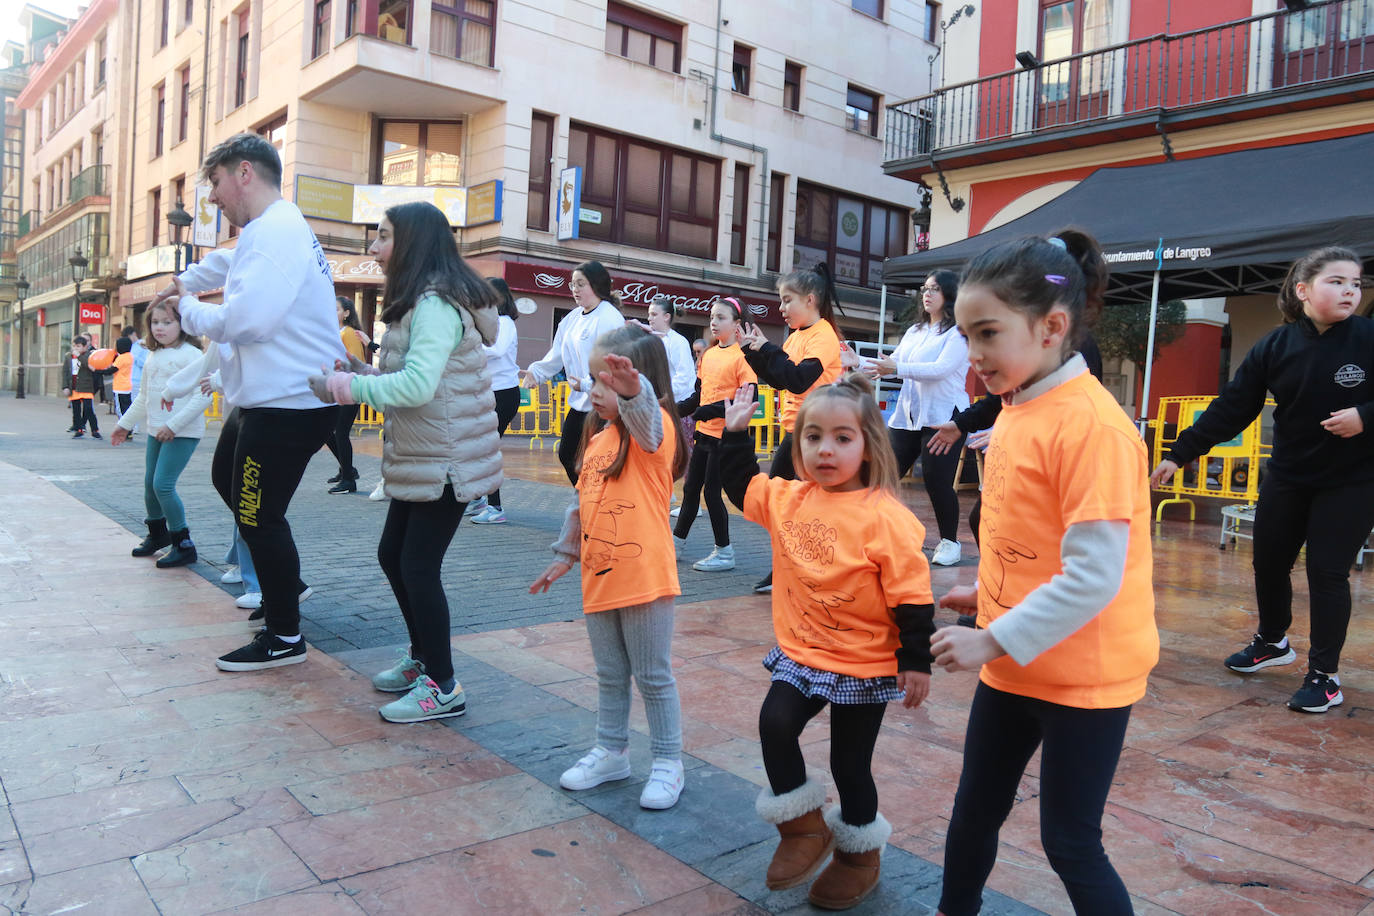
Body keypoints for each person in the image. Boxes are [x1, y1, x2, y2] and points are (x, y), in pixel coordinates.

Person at [929, 231, 1157, 916]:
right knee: (974, 812)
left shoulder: (1095, 428)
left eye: (988, 333)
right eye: (967, 334)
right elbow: (1029, 537)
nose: (973, 355)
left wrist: (991, 638)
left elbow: (1093, 578)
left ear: (1052, 327)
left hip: (1084, 676)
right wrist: (988, 596)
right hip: (1016, 659)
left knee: (1069, 841)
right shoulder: (1019, 407)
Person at [715, 374, 934, 910]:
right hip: (803, 652)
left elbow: (912, 596)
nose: (825, 449)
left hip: (865, 661)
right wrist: (736, 435)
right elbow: (742, 486)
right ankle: (802, 829)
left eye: (842, 437)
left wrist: (916, 660)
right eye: (813, 437)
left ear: (868, 445)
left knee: (848, 764)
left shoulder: (887, 519)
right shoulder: (789, 498)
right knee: (775, 723)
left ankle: (859, 854)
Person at [1150, 246, 1371, 714]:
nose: (1350, 289)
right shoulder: (1275, 345)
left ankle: (1325, 676)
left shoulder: (1369, 338)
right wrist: (1181, 453)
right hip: (1289, 475)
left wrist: (1365, 417)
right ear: (1304, 290)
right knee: (1269, 562)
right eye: (1337, 281)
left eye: (1355, 282)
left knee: (1327, 572)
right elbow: (1233, 407)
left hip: (1352, 480)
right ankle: (1272, 642)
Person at [309, 201, 503, 723]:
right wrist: (355, 367)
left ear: (413, 242)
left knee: (417, 566)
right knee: (394, 556)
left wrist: (346, 386)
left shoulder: (437, 304)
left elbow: (417, 386)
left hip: (446, 459)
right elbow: (411, 372)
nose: (374, 247)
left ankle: (443, 685)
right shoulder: (421, 302)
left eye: (384, 236)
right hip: (425, 453)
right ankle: (424, 658)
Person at [158, 132, 345, 672]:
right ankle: (287, 585)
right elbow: (226, 265)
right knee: (228, 480)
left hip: (290, 403)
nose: (212, 197)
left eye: (214, 183)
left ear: (244, 173)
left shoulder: (277, 232)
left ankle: (285, 637)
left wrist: (188, 308)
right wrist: (183, 281)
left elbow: (247, 323)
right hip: (268, 399)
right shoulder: (268, 230)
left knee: (258, 513)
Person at [529, 324, 688, 810]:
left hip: (644, 581)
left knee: (653, 675)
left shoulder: (654, 435)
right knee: (611, 674)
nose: (595, 391)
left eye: (607, 383)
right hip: (597, 578)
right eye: (594, 380)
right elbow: (581, 504)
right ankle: (611, 751)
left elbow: (649, 426)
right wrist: (564, 556)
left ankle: (667, 761)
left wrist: (635, 393)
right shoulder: (598, 442)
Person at [738, 263, 846, 592]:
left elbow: (799, 381)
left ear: (810, 300)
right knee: (779, 502)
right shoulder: (797, 336)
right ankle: (787, 568)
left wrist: (767, 349)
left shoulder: (823, 335)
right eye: (781, 301)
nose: (781, 309)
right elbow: (780, 378)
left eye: (787, 300)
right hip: (795, 433)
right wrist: (753, 353)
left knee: (805, 507)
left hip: (815, 436)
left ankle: (813, 571)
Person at [864, 270, 970, 567]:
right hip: (908, 417)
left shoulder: (959, 333)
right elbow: (889, 364)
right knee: (883, 476)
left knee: (937, 482)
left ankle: (950, 542)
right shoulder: (914, 331)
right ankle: (874, 533)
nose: (927, 293)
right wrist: (855, 363)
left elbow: (940, 369)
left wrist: (896, 368)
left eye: (934, 289)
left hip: (944, 416)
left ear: (949, 294)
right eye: (924, 288)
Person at [110, 300, 210, 567]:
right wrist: (125, 424)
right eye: (155, 322)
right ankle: (157, 536)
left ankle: (183, 544)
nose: (160, 328)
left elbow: (204, 396)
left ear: (183, 324)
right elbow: (144, 396)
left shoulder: (192, 355)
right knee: (149, 486)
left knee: (163, 485)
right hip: (156, 430)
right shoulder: (153, 355)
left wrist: (173, 426)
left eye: (167, 322)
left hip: (182, 431)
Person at [519, 260, 624, 485]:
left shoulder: (609, 318)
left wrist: (587, 383)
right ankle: (586, 501)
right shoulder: (573, 317)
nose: (575, 289)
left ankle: (594, 506)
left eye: (580, 284)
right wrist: (537, 372)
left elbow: (612, 361)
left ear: (596, 285)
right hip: (579, 401)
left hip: (602, 402)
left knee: (596, 460)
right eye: (572, 284)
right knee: (567, 454)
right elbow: (558, 352)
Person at [672, 297, 756, 571]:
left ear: (737, 325)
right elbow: (698, 396)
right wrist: (673, 409)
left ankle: (725, 552)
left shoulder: (744, 357)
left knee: (711, 494)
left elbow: (747, 398)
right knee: (691, 490)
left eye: (721, 317)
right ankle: (675, 545)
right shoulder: (708, 355)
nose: (714, 322)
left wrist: (708, 411)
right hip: (704, 436)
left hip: (726, 438)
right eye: (712, 316)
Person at [469, 277, 520, 525]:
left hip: (504, 394)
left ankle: (495, 506)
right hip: (489, 392)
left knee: (487, 449)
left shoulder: (505, 322)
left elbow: (497, 350)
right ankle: (480, 498)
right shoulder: (488, 323)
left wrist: (469, 347)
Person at [324, 295, 370, 494]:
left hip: (349, 388)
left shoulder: (349, 333)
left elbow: (356, 362)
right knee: (328, 432)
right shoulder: (333, 333)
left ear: (346, 313)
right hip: (336, 389)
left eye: (336, 309)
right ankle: (347, 470)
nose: (332, 313)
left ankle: (349, 480)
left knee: (340, 433)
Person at [65, 336, 101, 439]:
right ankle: (79, 429)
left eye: (79, 346)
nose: (76, 348)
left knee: (88, 409)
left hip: (86, 387)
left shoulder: (89, 356)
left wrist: (79, 356)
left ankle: (95, 430)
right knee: (76, 410)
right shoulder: (68, 356)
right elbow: (65, 372)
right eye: (74, 346)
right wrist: (65, 386)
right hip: (74, 387)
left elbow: (87, 364)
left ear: (85, 347)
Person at [112, 337, 135, 419]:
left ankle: (123, 427)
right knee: (127, 408)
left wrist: (97, 370)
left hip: (119, 387)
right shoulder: (130, 356)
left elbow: (112, 369)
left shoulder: (121, 358)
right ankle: (129, 427)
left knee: (120, 409)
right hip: (127, 386)